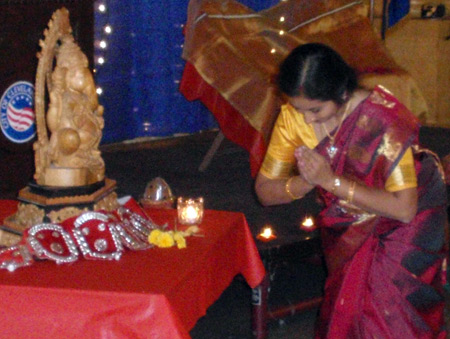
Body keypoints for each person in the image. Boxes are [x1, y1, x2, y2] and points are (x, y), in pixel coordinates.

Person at [255, 43, 448, 338]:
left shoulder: (382, 118)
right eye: (298, 108)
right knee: (347, 311)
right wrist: (305, 182)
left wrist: (331, 181)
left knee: (385, 316)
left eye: (315, 109)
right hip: (349, 226)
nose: (306, 118)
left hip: (406, 224)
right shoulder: (295, 118)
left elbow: (404, 209)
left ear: (342, 93)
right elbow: (265, 192)